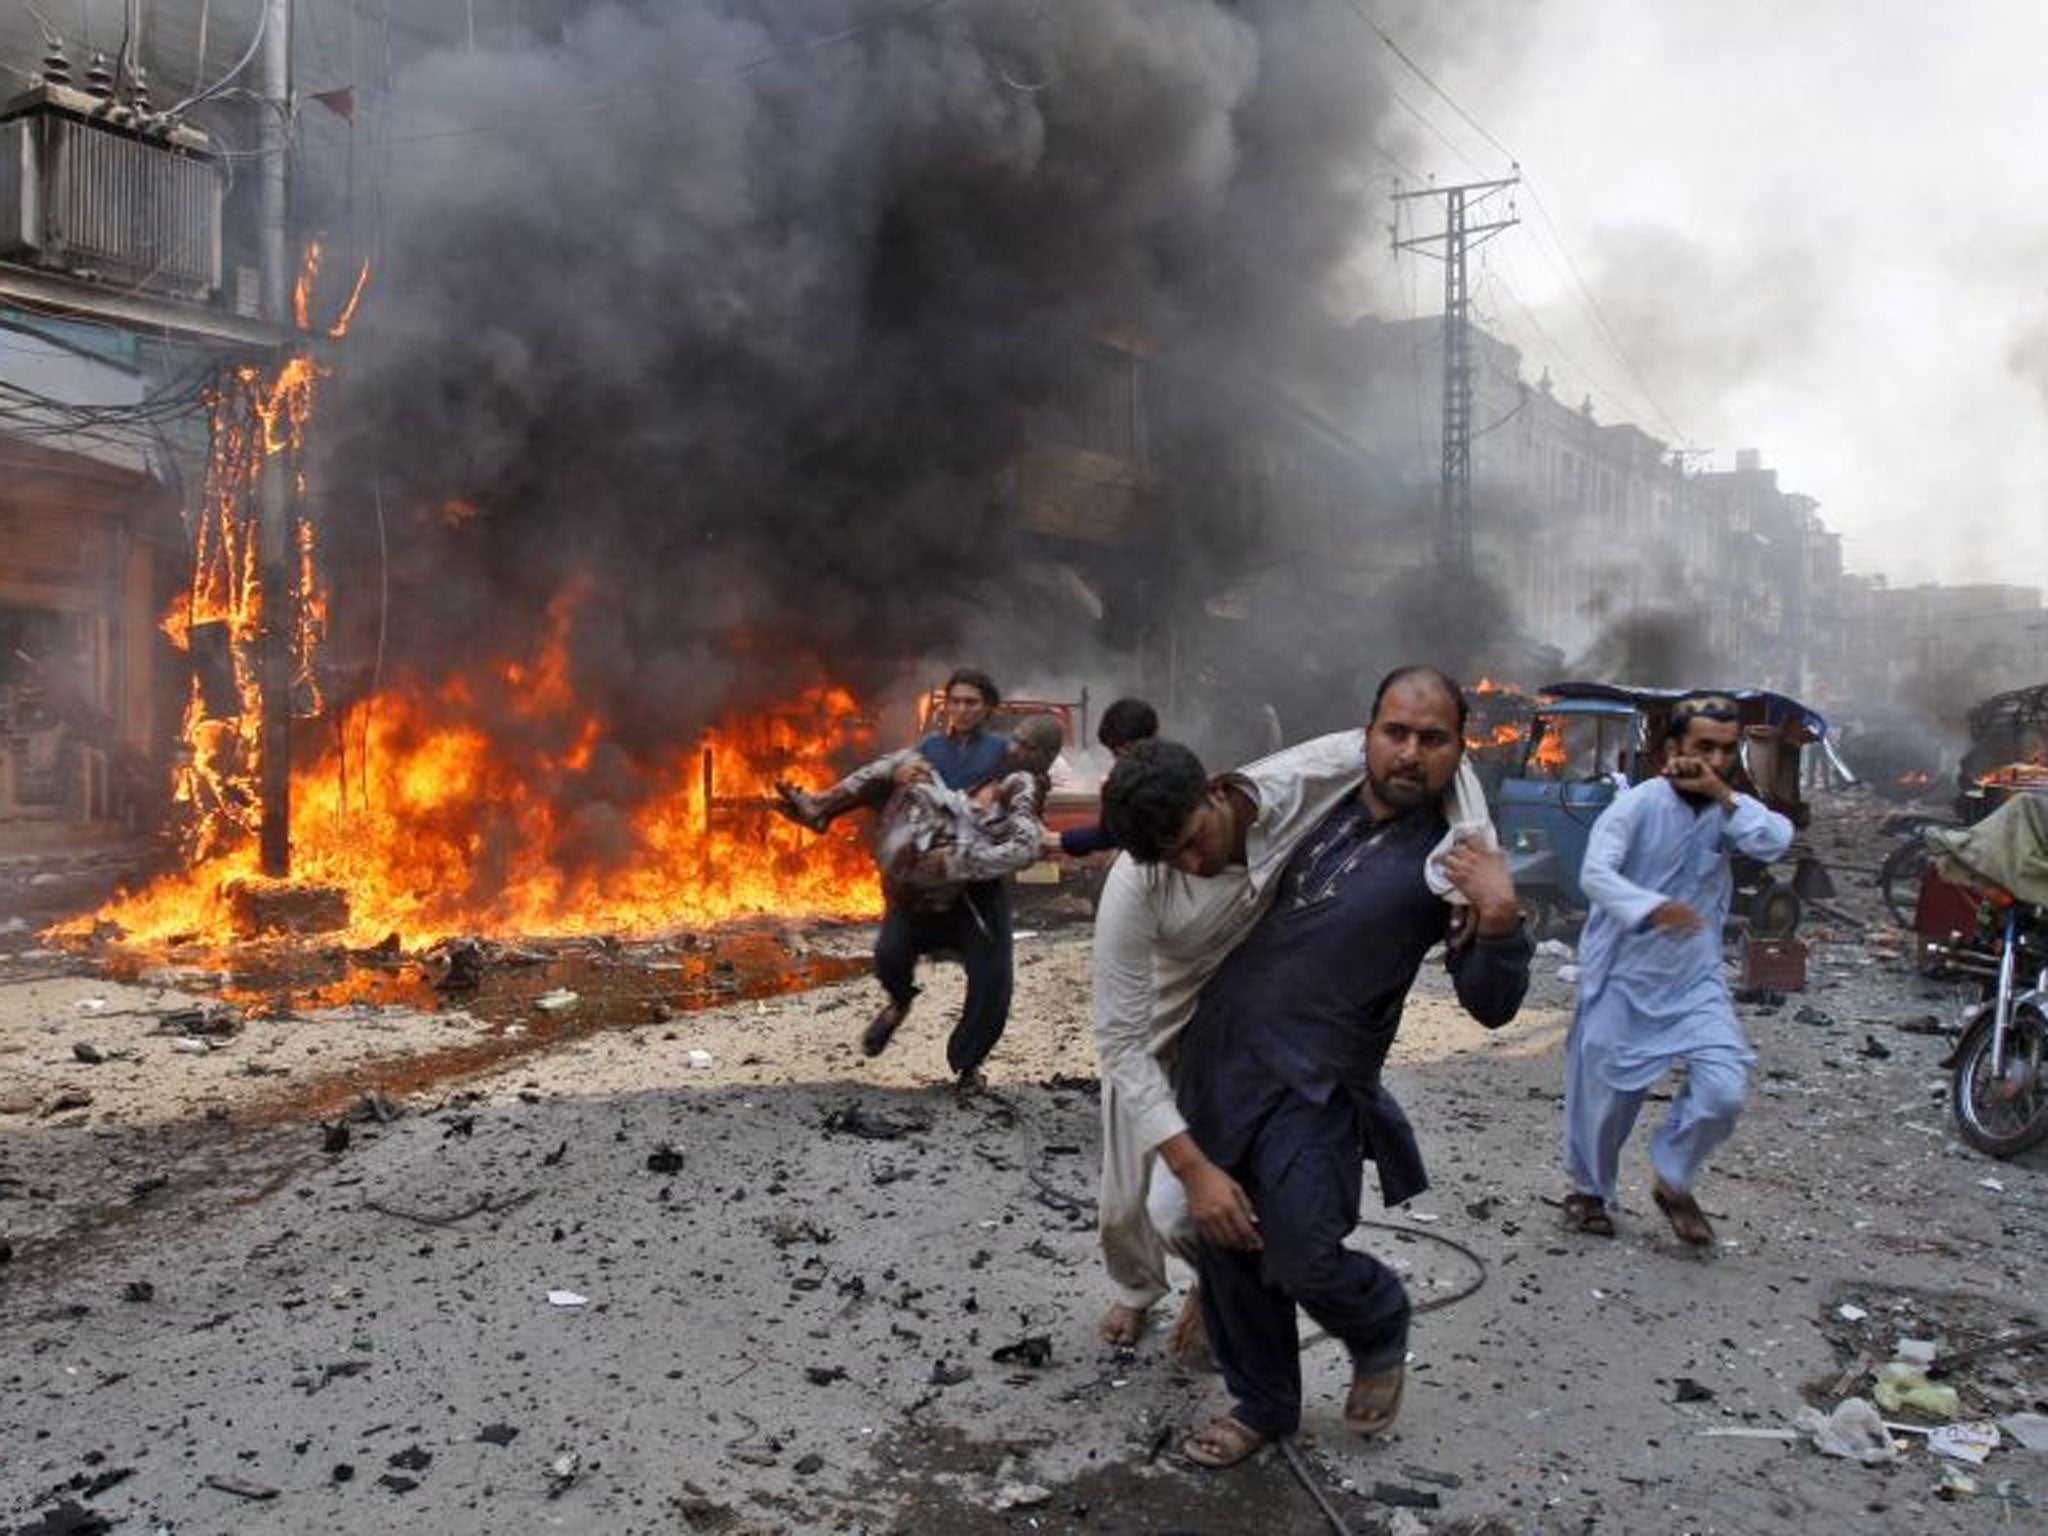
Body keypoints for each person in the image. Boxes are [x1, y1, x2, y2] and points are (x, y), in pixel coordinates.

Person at [1149, 668, 1531, 1468]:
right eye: (1396, 731)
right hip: (1220, 1063)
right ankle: (1264, 1407)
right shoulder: (1309, 807)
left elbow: (1491, 1006)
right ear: (1367, 733)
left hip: (1317, 1086)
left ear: (1460, 749)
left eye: (1433, 739)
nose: (1409, 752)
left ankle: (1378, 1316)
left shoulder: (1453, 864)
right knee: (1226, 1243)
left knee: (1302, 1254)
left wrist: (1499, 916)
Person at [1558, 693, 1793, 1246]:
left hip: (1695, 979)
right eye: (1702, 747)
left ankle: (1673, 1177)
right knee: (1603, 1098)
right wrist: (1649, 907)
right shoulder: (1637, 805)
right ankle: (1588, 1191)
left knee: (1723, 1090)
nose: (1714, 759)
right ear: (1672, 748)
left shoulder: (1728, 811)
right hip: (1623, 973)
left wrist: (1723, 795)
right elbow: (1595, 874)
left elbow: (1777, 841)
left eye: (1725, 750)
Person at [771, 695, 1053, 1093]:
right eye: (1015, 740)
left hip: (972, 900)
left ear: (1043, 758)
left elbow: (1022, 847)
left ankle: (967, 1066)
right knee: (890, 954)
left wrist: (957, 862)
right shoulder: (959, 760)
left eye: (1027, 746)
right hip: (920, 890)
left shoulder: (1022, 787)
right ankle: (899, 1003)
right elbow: (897, 773)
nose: (1014, 749)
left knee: (992, 984)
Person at [1045, 696, 1159, 860]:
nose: (1118, 761)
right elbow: (1110, 834)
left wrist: (1057, 839)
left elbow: (1109, 834)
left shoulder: (1130, 782)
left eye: (1119, 752)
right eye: (1114, 754)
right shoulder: (1181, 765)